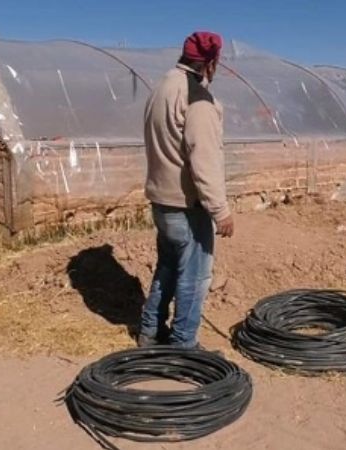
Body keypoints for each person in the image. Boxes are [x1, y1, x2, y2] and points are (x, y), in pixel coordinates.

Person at [138, 31, 233, 349]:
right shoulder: (197, 99)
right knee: (194, 276)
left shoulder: (163, 86)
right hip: (186, 205)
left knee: (167, 266)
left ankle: (150, 331)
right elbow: (203, 159)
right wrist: (220, 210)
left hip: (161, 201)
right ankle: (183, 343)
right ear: (211, 62)